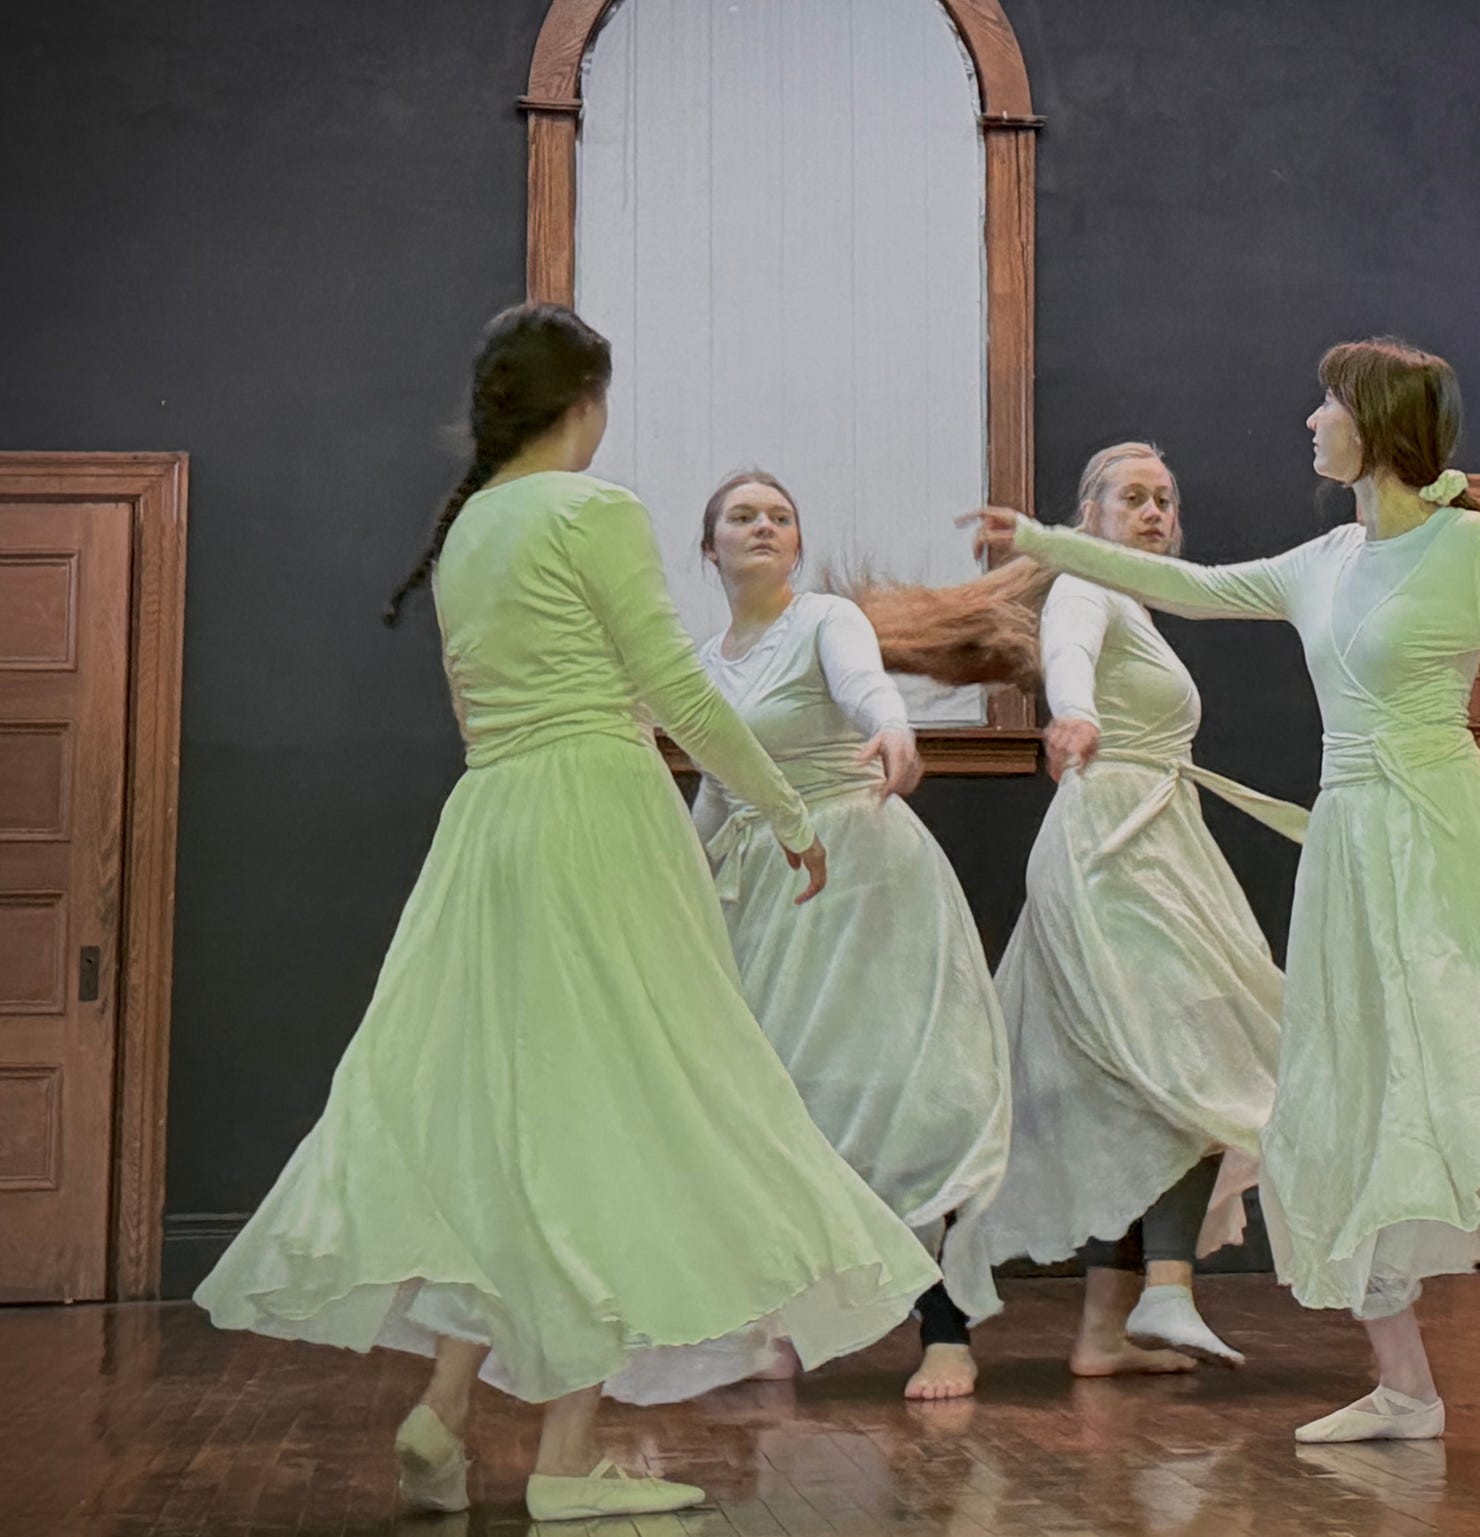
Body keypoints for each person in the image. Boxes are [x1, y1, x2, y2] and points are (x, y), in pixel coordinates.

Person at [194, 304, 939, 1523]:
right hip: (598, 815)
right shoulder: (592, 509)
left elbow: (475, 703)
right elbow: (677, 690)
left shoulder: (470, 529)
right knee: (608, 1111)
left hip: (491, 824)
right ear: (584, 401)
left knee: (512, 1116)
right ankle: (568, 1453)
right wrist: (787, 812)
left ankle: (445, 1407)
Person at [967, 338, 1480, 1479]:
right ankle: (1403, 1387)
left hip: (1446, 846)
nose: (1309, 421)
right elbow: (1192, 589)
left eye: (1328, 405)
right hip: (1348, 858)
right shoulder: (1326, 560)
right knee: (1344, 1104)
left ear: (1378, 426)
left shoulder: (1470, 548)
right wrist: (1045, 542)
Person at [946, 442, 1302, 1376]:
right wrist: (1073, 712)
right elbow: (1067, 651)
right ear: (1090, 515)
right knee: (1181, 1054)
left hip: (1156, 838)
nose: (1152, 512)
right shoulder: (1087, 585)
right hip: (1114, 846)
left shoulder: (1138, 603)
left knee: (1136, 1082)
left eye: (1164, 499)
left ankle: (1104, 1333)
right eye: (1132, 497)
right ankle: (1167, 1289)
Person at [690, 469, 1011, 1402]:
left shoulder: (828, 618)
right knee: (785, 1100)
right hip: (771, 890)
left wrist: (895, 730)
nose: (763, 526)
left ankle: (944, 1327)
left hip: (863, 872)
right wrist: (680, 886)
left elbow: (867, 688)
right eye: (742, 516)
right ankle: (786, 1320)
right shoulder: (703, 663)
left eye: (780, 516)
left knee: (912, 1092)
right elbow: (718, 791)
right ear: (709, 548)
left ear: (797, 542)